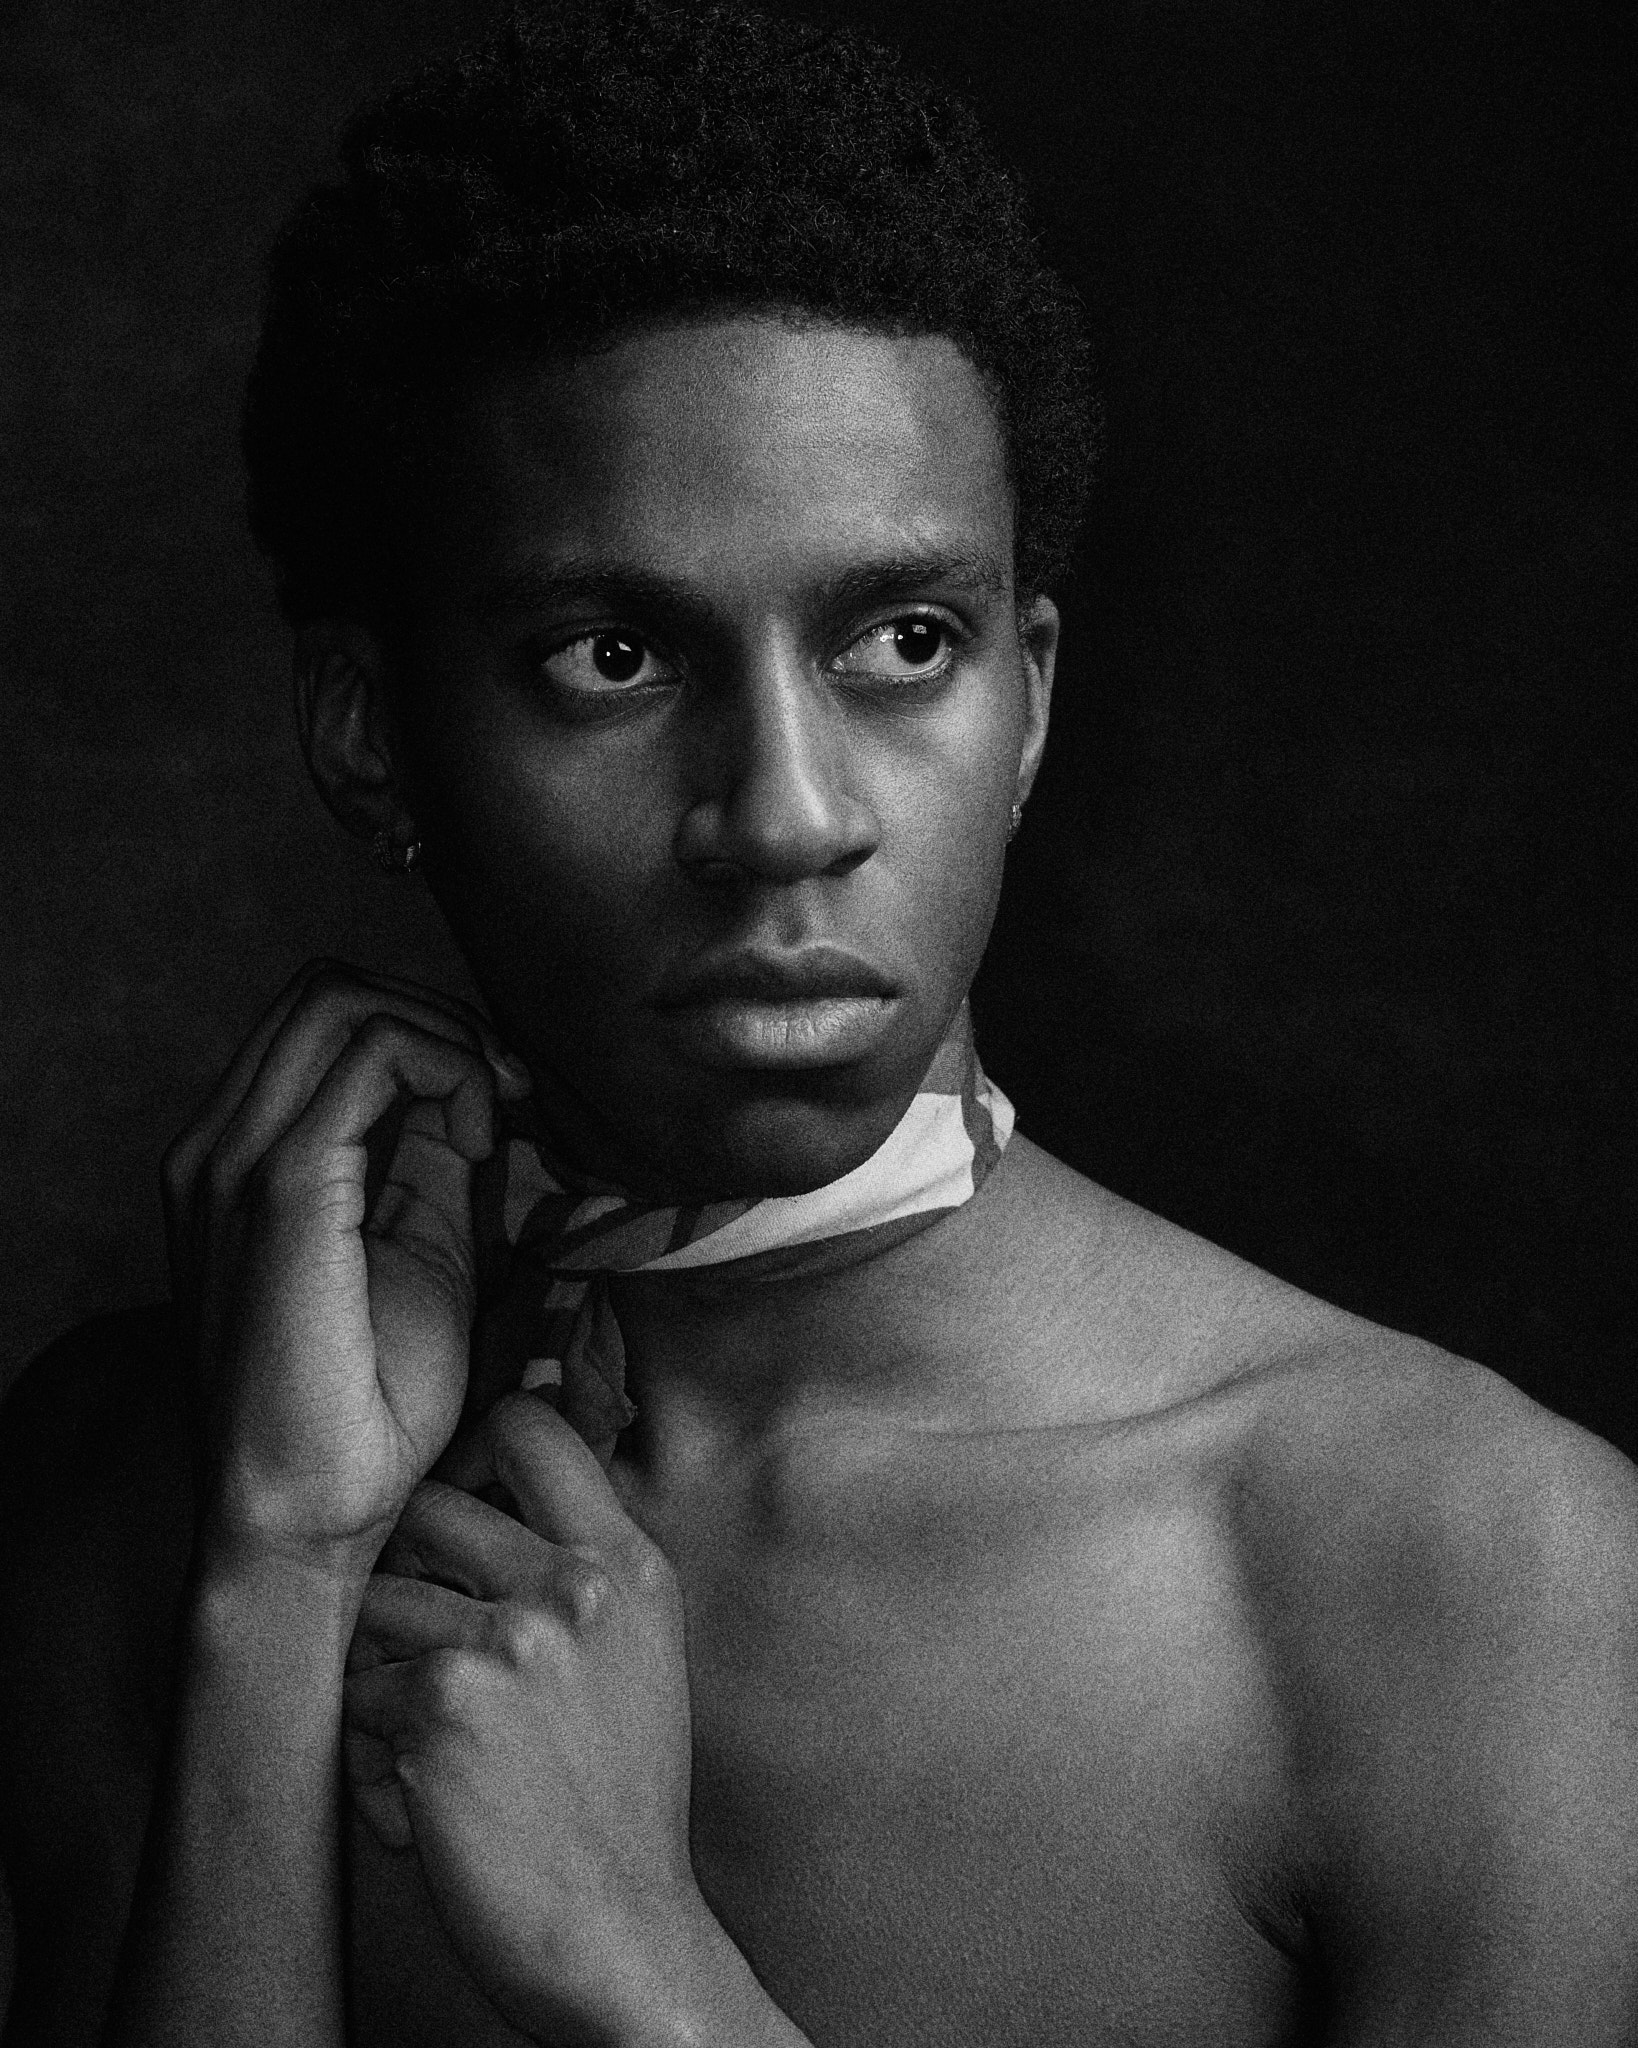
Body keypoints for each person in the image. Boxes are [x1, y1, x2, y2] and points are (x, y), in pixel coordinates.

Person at [2, 2, 1635, 2042]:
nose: (784, 814)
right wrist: (281, 1582)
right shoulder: (132, 1494)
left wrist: (647, 1970)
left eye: (903, 639)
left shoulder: (1466, 1571)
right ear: (370, 735)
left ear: (1027, 705)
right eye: (613, 656)